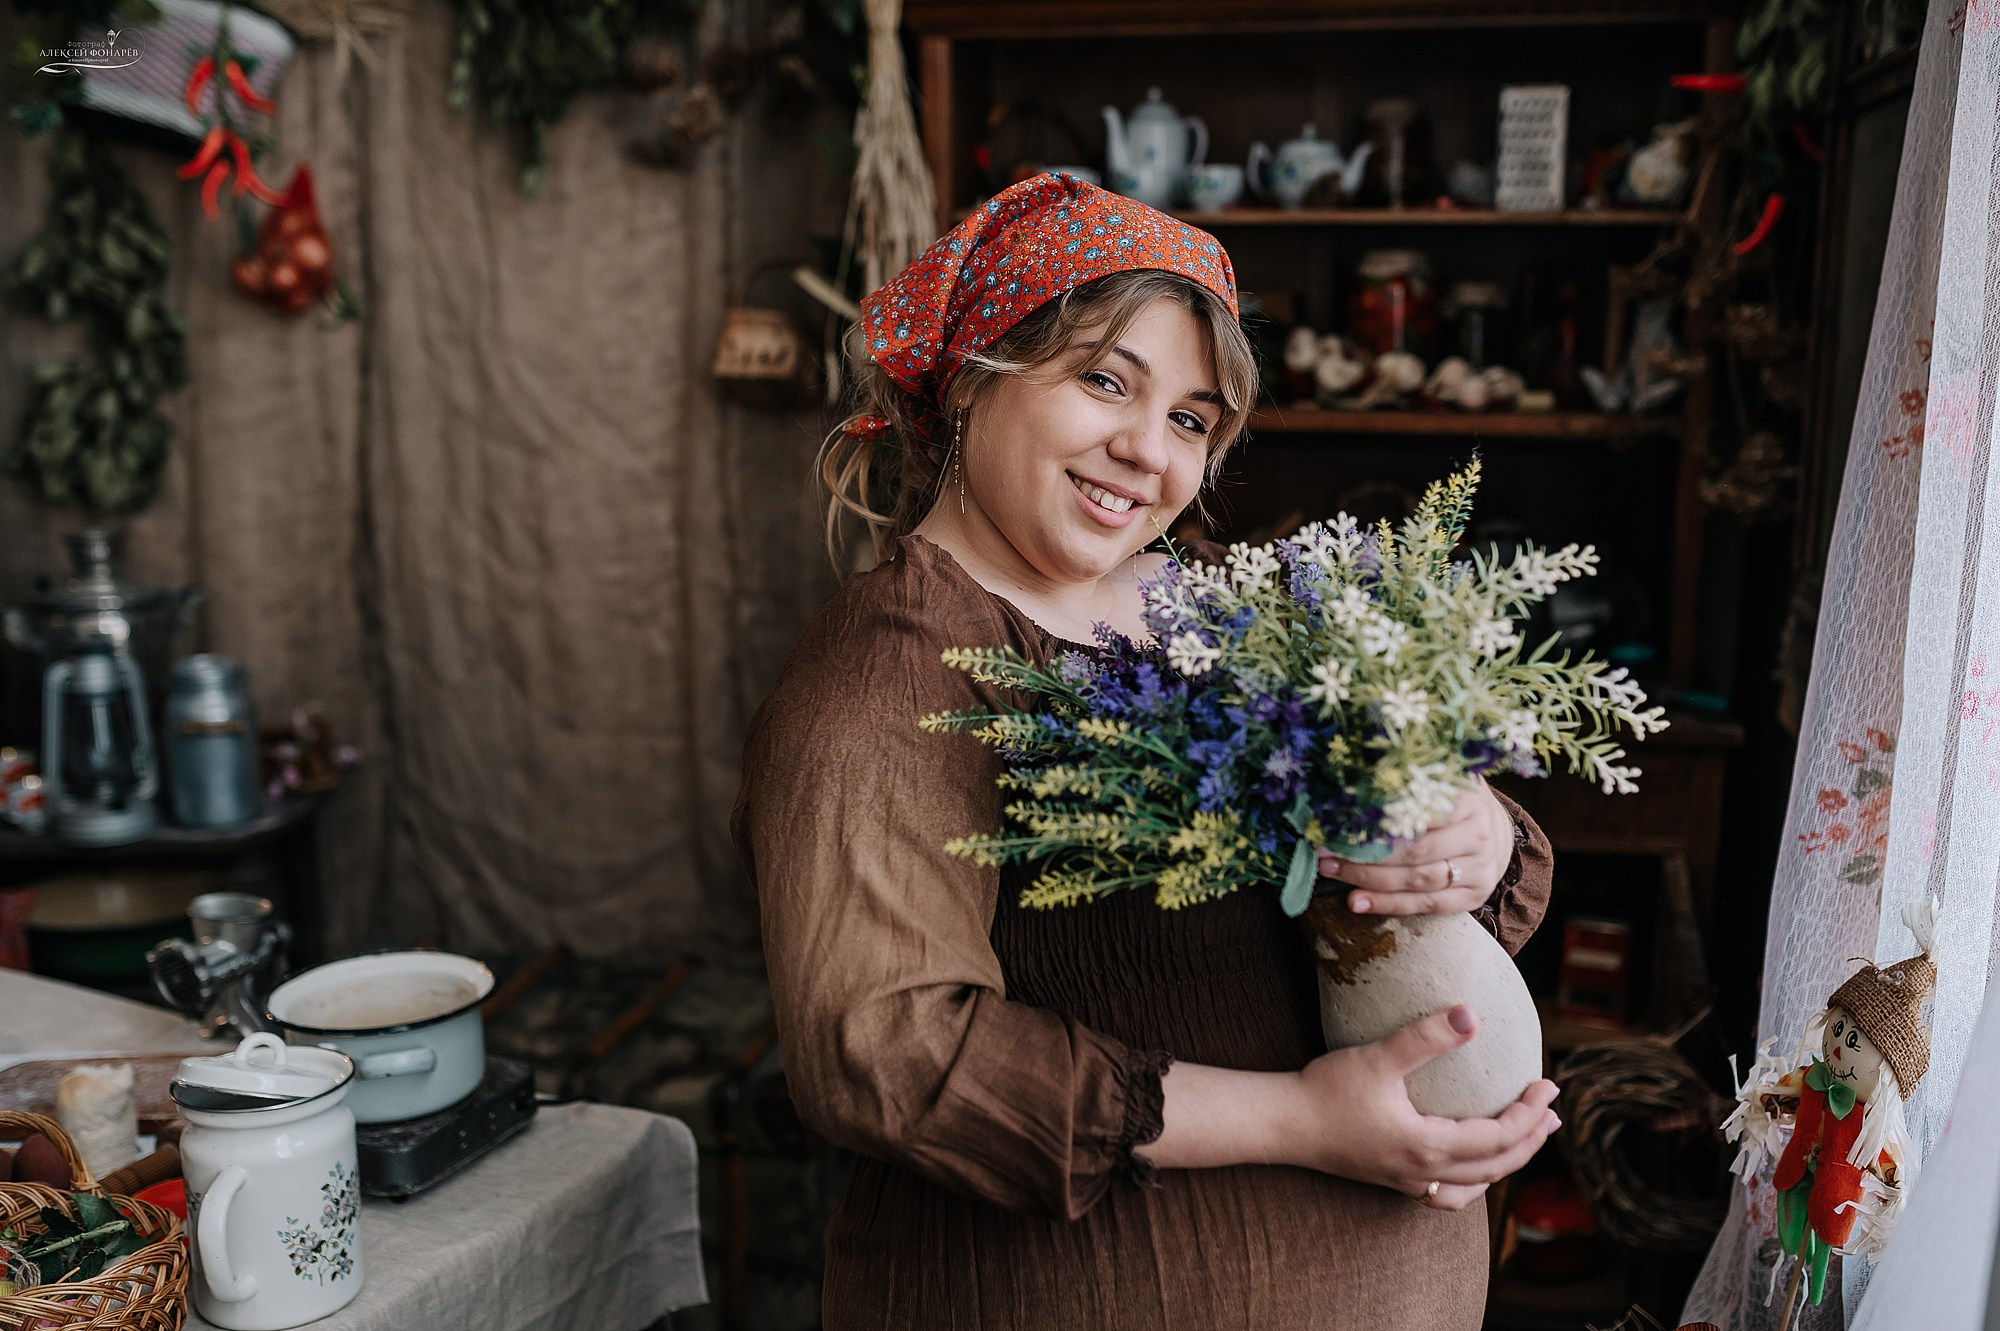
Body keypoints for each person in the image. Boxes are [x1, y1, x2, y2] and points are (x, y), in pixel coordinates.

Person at [733, 173, 1560, 1330]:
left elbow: (1378, 896)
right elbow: (888, 1054)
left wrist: (1460, 829)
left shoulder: (1222, 605)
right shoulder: (892, 669)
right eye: (1102, 380)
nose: (1143, 449)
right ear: (977, 372)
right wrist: (1303, 1121)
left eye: (1189, 417)